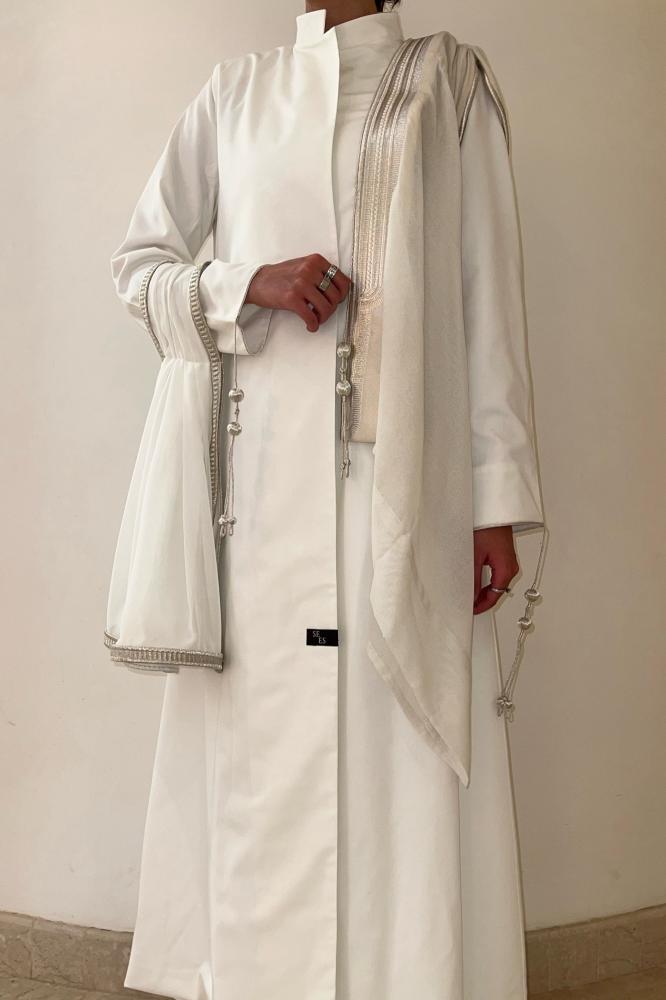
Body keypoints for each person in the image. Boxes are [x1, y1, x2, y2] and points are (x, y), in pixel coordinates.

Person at [105, 2, 546, 997]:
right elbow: (139, 268)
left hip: (405, 496)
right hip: (259, 501)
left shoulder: (447, 84)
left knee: (397, 757)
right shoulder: (237, 94)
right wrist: (246, 283)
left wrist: (494, 496)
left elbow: (486, 295)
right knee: (267, 753)